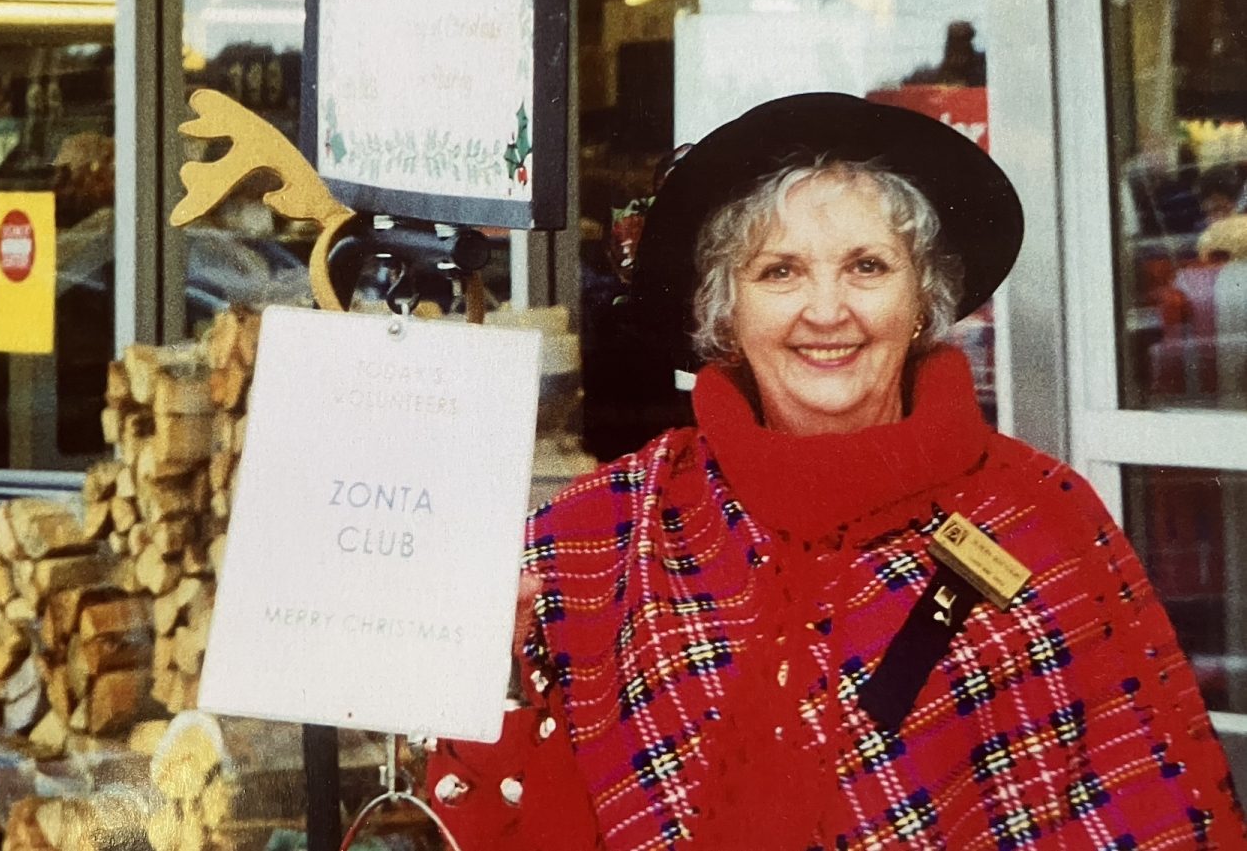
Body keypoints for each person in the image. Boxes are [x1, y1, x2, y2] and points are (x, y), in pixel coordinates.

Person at [425, 92, 1246, 849]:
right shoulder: (598, 533)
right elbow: (497, 812)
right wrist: (479, 671)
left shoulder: (1042, 517)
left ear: (923, 296)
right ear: (724, 308)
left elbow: (1155, 811)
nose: (826, 311)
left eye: (867, 266)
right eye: (779, 271)